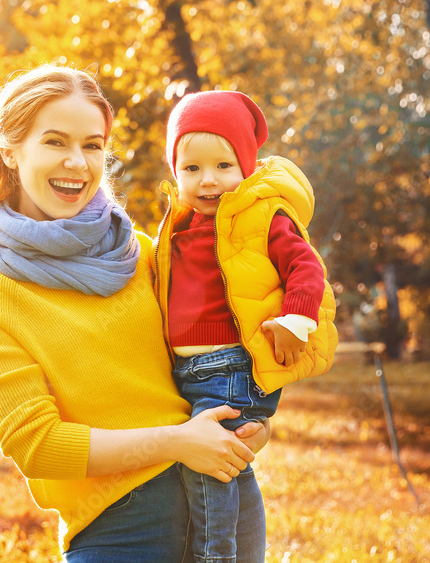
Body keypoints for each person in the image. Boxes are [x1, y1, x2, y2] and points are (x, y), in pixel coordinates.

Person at [0, 65, 271, 562]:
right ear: (10, 151)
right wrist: (176, 442)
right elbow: (38, 445)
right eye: (55, 142)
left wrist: (253, 425)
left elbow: (221, 352)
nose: (77, 162)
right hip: (121, 529)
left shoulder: (145, 254)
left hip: (228, 501)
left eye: (93, 145)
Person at [153, 90, 338, 562]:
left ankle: (215, 557)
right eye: (192, 168)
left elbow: (305, 267)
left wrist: (295, 319)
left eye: (223, 166)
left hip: (231, 366)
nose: (208, 181)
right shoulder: (176, 225)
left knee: (208, 467)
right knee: (227, 464)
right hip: (189, 370)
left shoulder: (262, 217)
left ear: (247, 167)